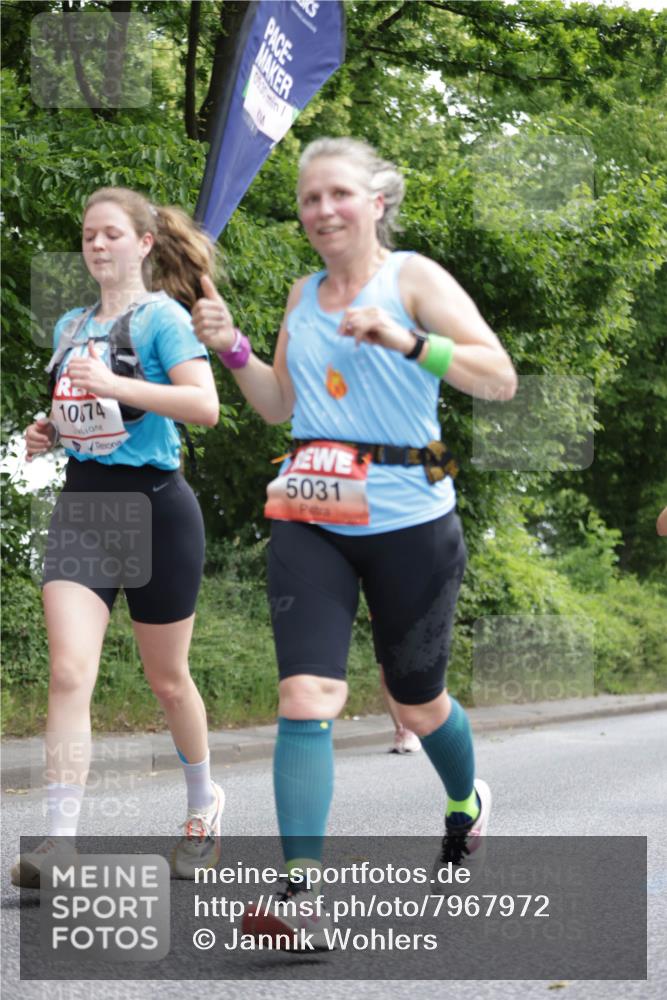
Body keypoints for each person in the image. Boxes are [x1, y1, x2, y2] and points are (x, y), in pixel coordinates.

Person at [192, 137, 518, 946]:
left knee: (415, 700)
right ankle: (301, 895)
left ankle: (465, 796)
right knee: (306, 697)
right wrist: (229, 344)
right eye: (309, 199)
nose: (323, 211)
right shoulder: (303, 296)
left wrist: (406, 340)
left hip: (411, 521)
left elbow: (498, 376)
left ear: (376, 202)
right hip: (312, 517)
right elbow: (275, 404)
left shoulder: (412, 278)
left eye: (338, 194)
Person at [11, 187, 224, 888]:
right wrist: (49, 432)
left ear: (142, 244)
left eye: (110, 234)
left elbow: (204, 407)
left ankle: (202, 806)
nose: (96, 245)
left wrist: (116, 384)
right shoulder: (70, 325)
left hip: (158, 507)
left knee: (167, 681)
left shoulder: (163, 319)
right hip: (85, 507)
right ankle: (60, 842)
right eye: (87, 236)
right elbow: (82, 413)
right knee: (71, 673)